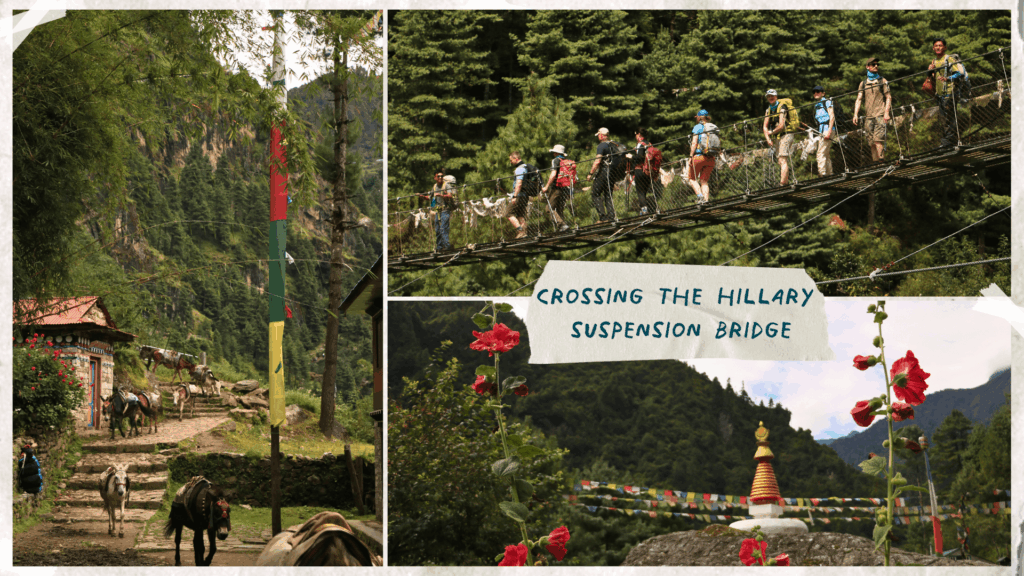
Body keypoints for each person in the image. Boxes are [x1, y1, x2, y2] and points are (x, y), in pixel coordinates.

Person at [928, 38, 968, 149]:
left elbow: (959, 73)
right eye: (936, 46)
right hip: (940, 94)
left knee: (949, 118)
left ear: (945, 47)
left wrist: (948, 78)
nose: (938, 47)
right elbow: (931, 77)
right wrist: (930, 70)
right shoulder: (934, 61)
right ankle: (948, 141)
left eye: (940, 45)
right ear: (933, 48)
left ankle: (949, 141)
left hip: (950, 93)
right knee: (944, 119)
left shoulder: (948, 59)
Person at [852, 57, 892, 162]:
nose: (876, 66)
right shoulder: (863, 83)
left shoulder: (882, 81)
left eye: (877, 64)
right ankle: (876, 164)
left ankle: (882, 162)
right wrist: (855, 114)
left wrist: (886, 113)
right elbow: (859, 99)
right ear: (867, 67)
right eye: (873, 64)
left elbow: (888, 97)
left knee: (878, 140)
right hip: (868, 116)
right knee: (871, 143)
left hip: (880, 114)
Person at [585, 127, 620, 223]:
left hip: (604, 171)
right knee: (608, 195)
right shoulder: (613, 145)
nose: (598, 137)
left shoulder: (601, 146)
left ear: (601, 135)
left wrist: (590, 174)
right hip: (613, 172)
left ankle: (603, 217)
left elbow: (597, 161)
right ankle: (611, 216)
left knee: (595, 193)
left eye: (598, 135)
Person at [762, 90, 796, 186]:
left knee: (782, 158)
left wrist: (771, 132)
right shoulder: (769, 109)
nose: (770, 98)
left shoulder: (782, 107)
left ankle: (783, 183)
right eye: (768, 96)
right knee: (780, 161)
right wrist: (768, 138)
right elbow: (764, 126)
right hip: (778, 136)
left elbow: (781, 125)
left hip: (787, 134)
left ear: (776, 96)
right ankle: (785, 181)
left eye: (772, 96)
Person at [419, 169, 456, 251]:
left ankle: (447, 247)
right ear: (435, 177)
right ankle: (439, 247)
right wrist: (423, 197)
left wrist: (441, 195)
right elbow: (430, 198)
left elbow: (450, 195)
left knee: (443, 228)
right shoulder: (435, 186)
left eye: (442, 176)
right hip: (437, 211)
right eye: (438, 176)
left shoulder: (446, 185)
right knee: (437, 230)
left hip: (445, 209)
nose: (440, 177)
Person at [540, 144, 572, 231]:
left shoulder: (556, 160)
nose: (553, 154)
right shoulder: (566, 161)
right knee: (559, 209)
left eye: (554, 152)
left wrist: (546, 186)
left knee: (549, 208)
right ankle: (562, 227)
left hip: (557, 187)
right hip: (566, 187)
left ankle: (562, 225)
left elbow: (553, 174)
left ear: (556, 153)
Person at [689, 110, 716, 203]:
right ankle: (706, 201)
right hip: (711, 158)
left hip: (699, 157)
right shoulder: (712, 127)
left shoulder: (698, 127)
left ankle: (700, 197)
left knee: (692, 179)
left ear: (699, 117)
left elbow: (694, 142)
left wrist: (690, 156)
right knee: (704, 181)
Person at [629, 129, 656, 215]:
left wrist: (631, 156)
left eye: (636, 134)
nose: (635, 136)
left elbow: (640, 158)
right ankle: (645, 209)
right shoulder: (649, 144)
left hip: (640, 170)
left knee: (640, 191)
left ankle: (644, 210)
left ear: (639, 134)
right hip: (648, 171)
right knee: (644, 190)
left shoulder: (640, 144)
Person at [811, 85, 835, 176]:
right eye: (814, 92)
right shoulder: (817, 105)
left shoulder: (827, 102)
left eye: (818, 91)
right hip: (822, 131)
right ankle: (829, 173)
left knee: (820, 153)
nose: (816, 93)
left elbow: (832, 117)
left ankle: (822, 174)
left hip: (827, 129)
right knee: (826, 153)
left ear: (823, 93)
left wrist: (828, 132)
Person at [507, 151, 531, 238]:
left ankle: (520, 231)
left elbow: (519, 183)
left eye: (511, 160)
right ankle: (524, 233)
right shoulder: (525, 167)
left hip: (519, 195)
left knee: (508, 213)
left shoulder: (520, 169)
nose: (510, 162)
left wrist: (514, 196)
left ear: (516, 159)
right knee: (520, 214)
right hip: (525, 195)